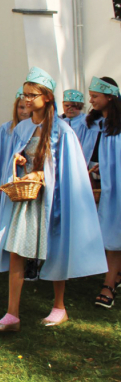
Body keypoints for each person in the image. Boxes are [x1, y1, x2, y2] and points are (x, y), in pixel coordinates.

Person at [0, 67, 106, 331]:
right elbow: (18, 158)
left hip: (53, 201)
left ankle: (60, 307)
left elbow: (69, 171)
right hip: (26, 199)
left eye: (32, 95)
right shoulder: (23, 128)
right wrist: (16, 160)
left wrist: (44, 173)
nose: (26, 100)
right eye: (25, 95)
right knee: (16, 251)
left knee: (54, 251)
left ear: (47, 97)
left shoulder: (62, 130)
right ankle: (12, 314)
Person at [75, 76, 121, 309]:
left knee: (114, 230)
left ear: (110, 97)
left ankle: (109, 284)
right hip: (89, 180)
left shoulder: (118, 126)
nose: (90, 100)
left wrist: (107, 168)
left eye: (95, 96)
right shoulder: (89, 122)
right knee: (98, 229)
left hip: (114, 184)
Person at [0, 87, 30, 222]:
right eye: (21, 107)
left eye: (27, 107)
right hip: (10, 176)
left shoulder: (36, 129)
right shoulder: (6, 129)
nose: (25, 112)